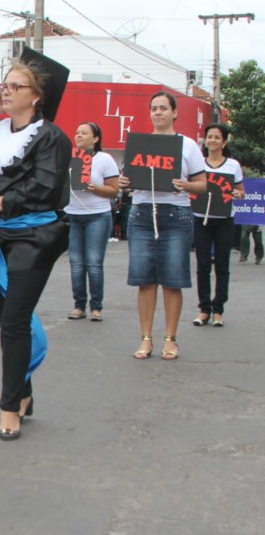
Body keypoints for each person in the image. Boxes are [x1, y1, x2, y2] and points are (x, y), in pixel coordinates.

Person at [0, 48, 72, 441]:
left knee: (12, 321)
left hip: (34, 237)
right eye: (2, 86)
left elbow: (41, 188)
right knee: (11, 316)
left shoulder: (52, 138)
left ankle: (9, 406)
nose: (6, 92)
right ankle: (24, 393)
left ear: (36, 95)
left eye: (15, 87)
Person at [118, 91, 206, 361]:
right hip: (142, 213)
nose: (158, 113)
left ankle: (171, 339)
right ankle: (146, 339)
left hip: (176, 216)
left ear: (174, 112)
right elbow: (126, 177)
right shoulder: (140, 143)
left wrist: (186, 185)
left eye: (163, 108)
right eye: (154, 108)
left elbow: (202, 185)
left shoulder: (187, 145)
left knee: (172, 281)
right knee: (144, 281)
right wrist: (122, 183)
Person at [64, 122, 120, 321]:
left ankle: (96, 307)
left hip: (97, 215)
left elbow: (114, 190)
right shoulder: (68, 158)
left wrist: (93, 188)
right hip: (72, 215)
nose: (78, 135)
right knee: (76, 263)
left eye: (84, 132)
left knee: (94, 263)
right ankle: (79, 306)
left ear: (95, 138)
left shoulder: (105, 159)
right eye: (77, 132)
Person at [192, 123, 245, 327]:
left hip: (224, 221)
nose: (212, 140)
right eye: (209, 137)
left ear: (224, 142)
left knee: (222, 266)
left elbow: (241, 191)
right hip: (201, 220)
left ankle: (218, 310)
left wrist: (239, 194)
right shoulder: (198, 164)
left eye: (216, 137)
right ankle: (204, 309)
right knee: (203, 265)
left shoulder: (233, 165)